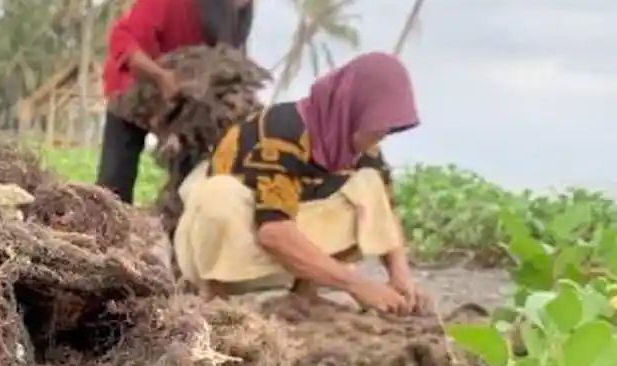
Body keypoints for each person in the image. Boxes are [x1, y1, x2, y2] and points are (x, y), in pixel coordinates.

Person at [172, 52, 433, 315]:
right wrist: (358, 285)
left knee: (368, 184)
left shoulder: (365, 152)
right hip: (226, 245)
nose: (381, 136)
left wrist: (401, 277)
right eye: (376, 127)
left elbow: (386, 212)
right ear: (352, 110)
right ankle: (214, 294)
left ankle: (305, 292)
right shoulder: (280, 133)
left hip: (288, 247)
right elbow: (273, 232)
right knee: (218, 195)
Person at [97, 0, 272, 204]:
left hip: (185, 102)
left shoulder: (231, 17)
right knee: (113, 185)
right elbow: (124, 40)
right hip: (134, 88)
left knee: (192, 177)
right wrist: (162, 77)